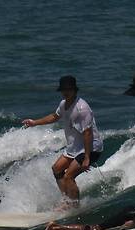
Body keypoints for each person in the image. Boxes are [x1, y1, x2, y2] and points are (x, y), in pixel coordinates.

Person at [22, 75, 103, 205]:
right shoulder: (63, 104)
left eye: (69, 89)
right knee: (57, 169)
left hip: (91, 148)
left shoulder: (82, 109)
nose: (65, 92)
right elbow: (55, 116)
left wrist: (87, 157)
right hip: (75, 147)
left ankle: (75, 206)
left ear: (75, 90)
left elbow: (88, 133)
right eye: (63, 90)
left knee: (68, 176)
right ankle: (67, 201)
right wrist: (34, 122)